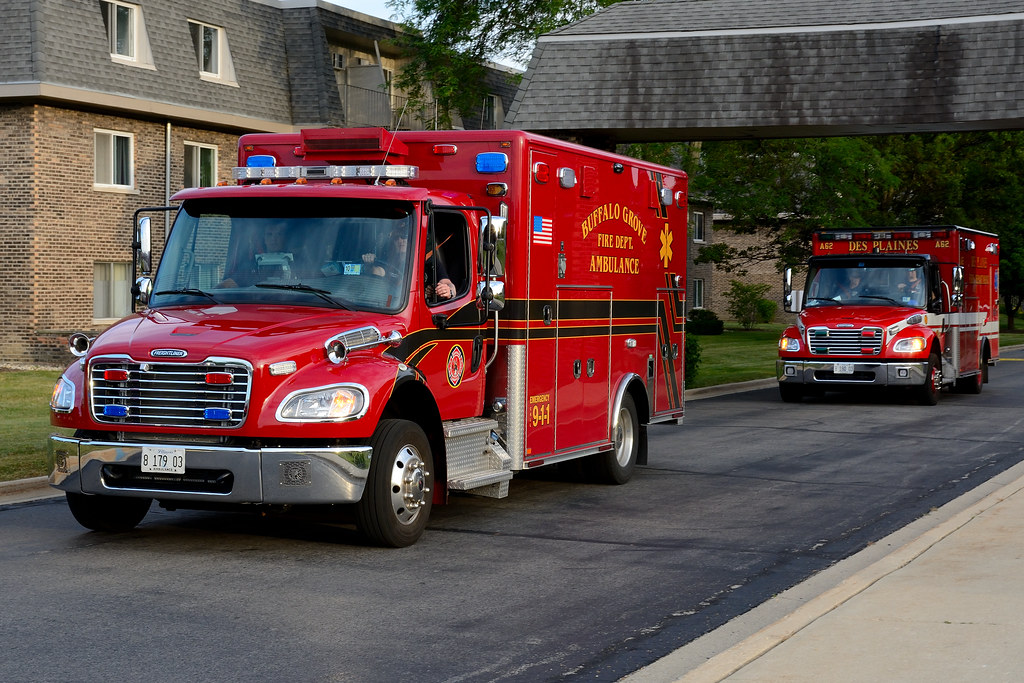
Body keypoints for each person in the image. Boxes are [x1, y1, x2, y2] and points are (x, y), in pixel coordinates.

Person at [363, 229, 455, 301]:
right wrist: (369, 265)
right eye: (396, 237)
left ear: (411, 239)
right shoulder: (390, 261)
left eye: (404, 236)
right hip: (395, 306)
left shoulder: (429, 261)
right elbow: (378, 272)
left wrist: (447, 291)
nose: (400, 240)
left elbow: (450, 286)